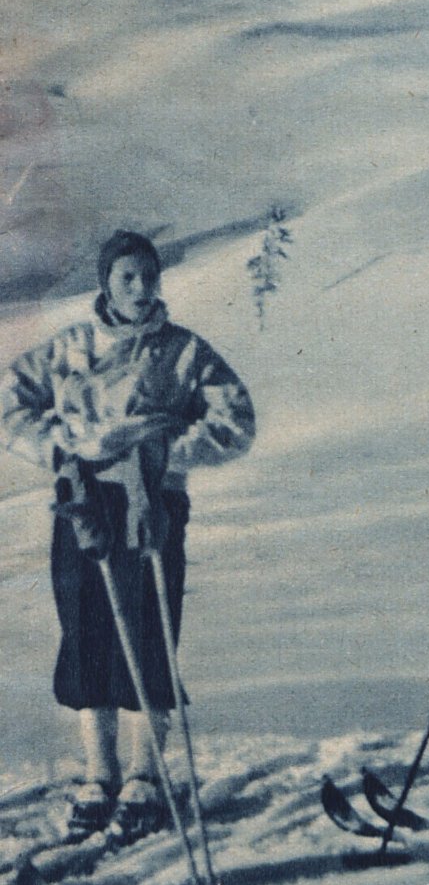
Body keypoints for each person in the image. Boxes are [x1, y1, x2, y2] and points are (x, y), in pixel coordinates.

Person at [0, 231, 256, 845]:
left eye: (149, 276)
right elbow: (10, 402)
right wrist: (58, 447)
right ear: (106, 284)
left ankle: (144, 774)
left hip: (152, 500)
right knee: (86, 630)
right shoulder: (70, 347)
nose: (141, 289)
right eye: (127, 278)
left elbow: (236, 420)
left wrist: (168, 451)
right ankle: (100, 773)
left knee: (147, 630)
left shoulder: (184, 351)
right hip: (83, 500)